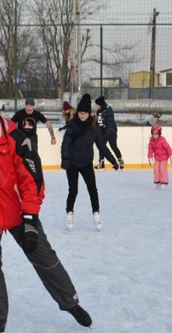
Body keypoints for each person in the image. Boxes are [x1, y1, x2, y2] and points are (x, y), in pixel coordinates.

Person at [0, 83, 93, 333]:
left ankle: (71, 302)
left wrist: (30, 217)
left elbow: (31, 181)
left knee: (42, 255)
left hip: (17, 209)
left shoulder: (16, 139)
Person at [60, 94, 119, 231]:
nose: (82, 115)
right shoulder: (72, 125)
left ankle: (96, 214)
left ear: (89, 113)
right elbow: (66, 143)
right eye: (80, 112)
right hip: (73, 163)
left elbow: (102, 146)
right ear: (78, 112)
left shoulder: (94, 127)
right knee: (73, 190)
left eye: (85, 113)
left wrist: (113, 161)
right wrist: (65, 158)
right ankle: (69, 213)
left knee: (93, 189)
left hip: (86, 163)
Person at [94, 96, 124, 169]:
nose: (96, 106)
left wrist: (107, 134)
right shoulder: (98, 111)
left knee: (113, 146)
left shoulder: (108, 110)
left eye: (97, 104)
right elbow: (98, 121)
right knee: (101, 147)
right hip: (102, 132)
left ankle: (120, 161)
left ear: (100, 104)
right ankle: (101, 163)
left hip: (111, 132)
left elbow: (110, 123)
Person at [147, 125, 172, 189]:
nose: (155, 135)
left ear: (159, 133)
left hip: (164, 158)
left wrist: (171, 155)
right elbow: (150, 149)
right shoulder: (152, 141)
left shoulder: (162, 140)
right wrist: (150, 157)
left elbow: (168, 148)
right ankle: (157, 182)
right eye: (153, 134)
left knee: (162, 170)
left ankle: (164, 182)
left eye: (156, 134)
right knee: (156, 170)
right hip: (157, 157)